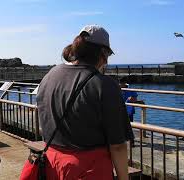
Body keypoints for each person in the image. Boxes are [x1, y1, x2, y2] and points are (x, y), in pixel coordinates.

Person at [36, 25, 133, 180]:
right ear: (103, 53)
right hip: (88, 170)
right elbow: (118, 146)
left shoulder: (50, 75)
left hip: (52, 165)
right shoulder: (104, 85)